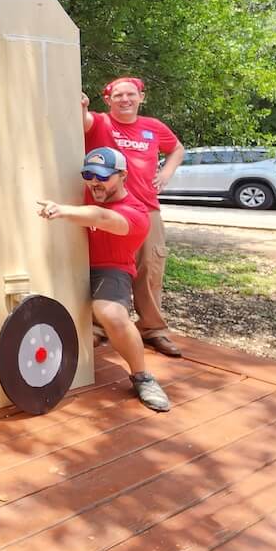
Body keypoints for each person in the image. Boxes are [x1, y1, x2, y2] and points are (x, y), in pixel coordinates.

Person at [37, 148, 171, 413]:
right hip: (70, 261)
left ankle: (142, 376)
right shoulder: (90, 191)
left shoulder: (136, 213)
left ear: (122, 176)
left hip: (110, 269)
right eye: (88, 175)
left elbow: (103, 218)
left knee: (110, 313)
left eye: (102, 176)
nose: (94, 182)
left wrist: (62, 210)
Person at [82, 76, 186, 357]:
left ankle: (153, 330)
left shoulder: (153, 128)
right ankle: (98, 326)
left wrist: (165, 174)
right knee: (101, 265)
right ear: (108, 100)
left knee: (150, 269)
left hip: (147, 209)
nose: (124, 99)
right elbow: (81, 120)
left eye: (130, 94)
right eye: (118, 96)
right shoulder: (101, 122)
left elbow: (177, 149)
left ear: (141, 97)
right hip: (108, 211)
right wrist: (79, 105)